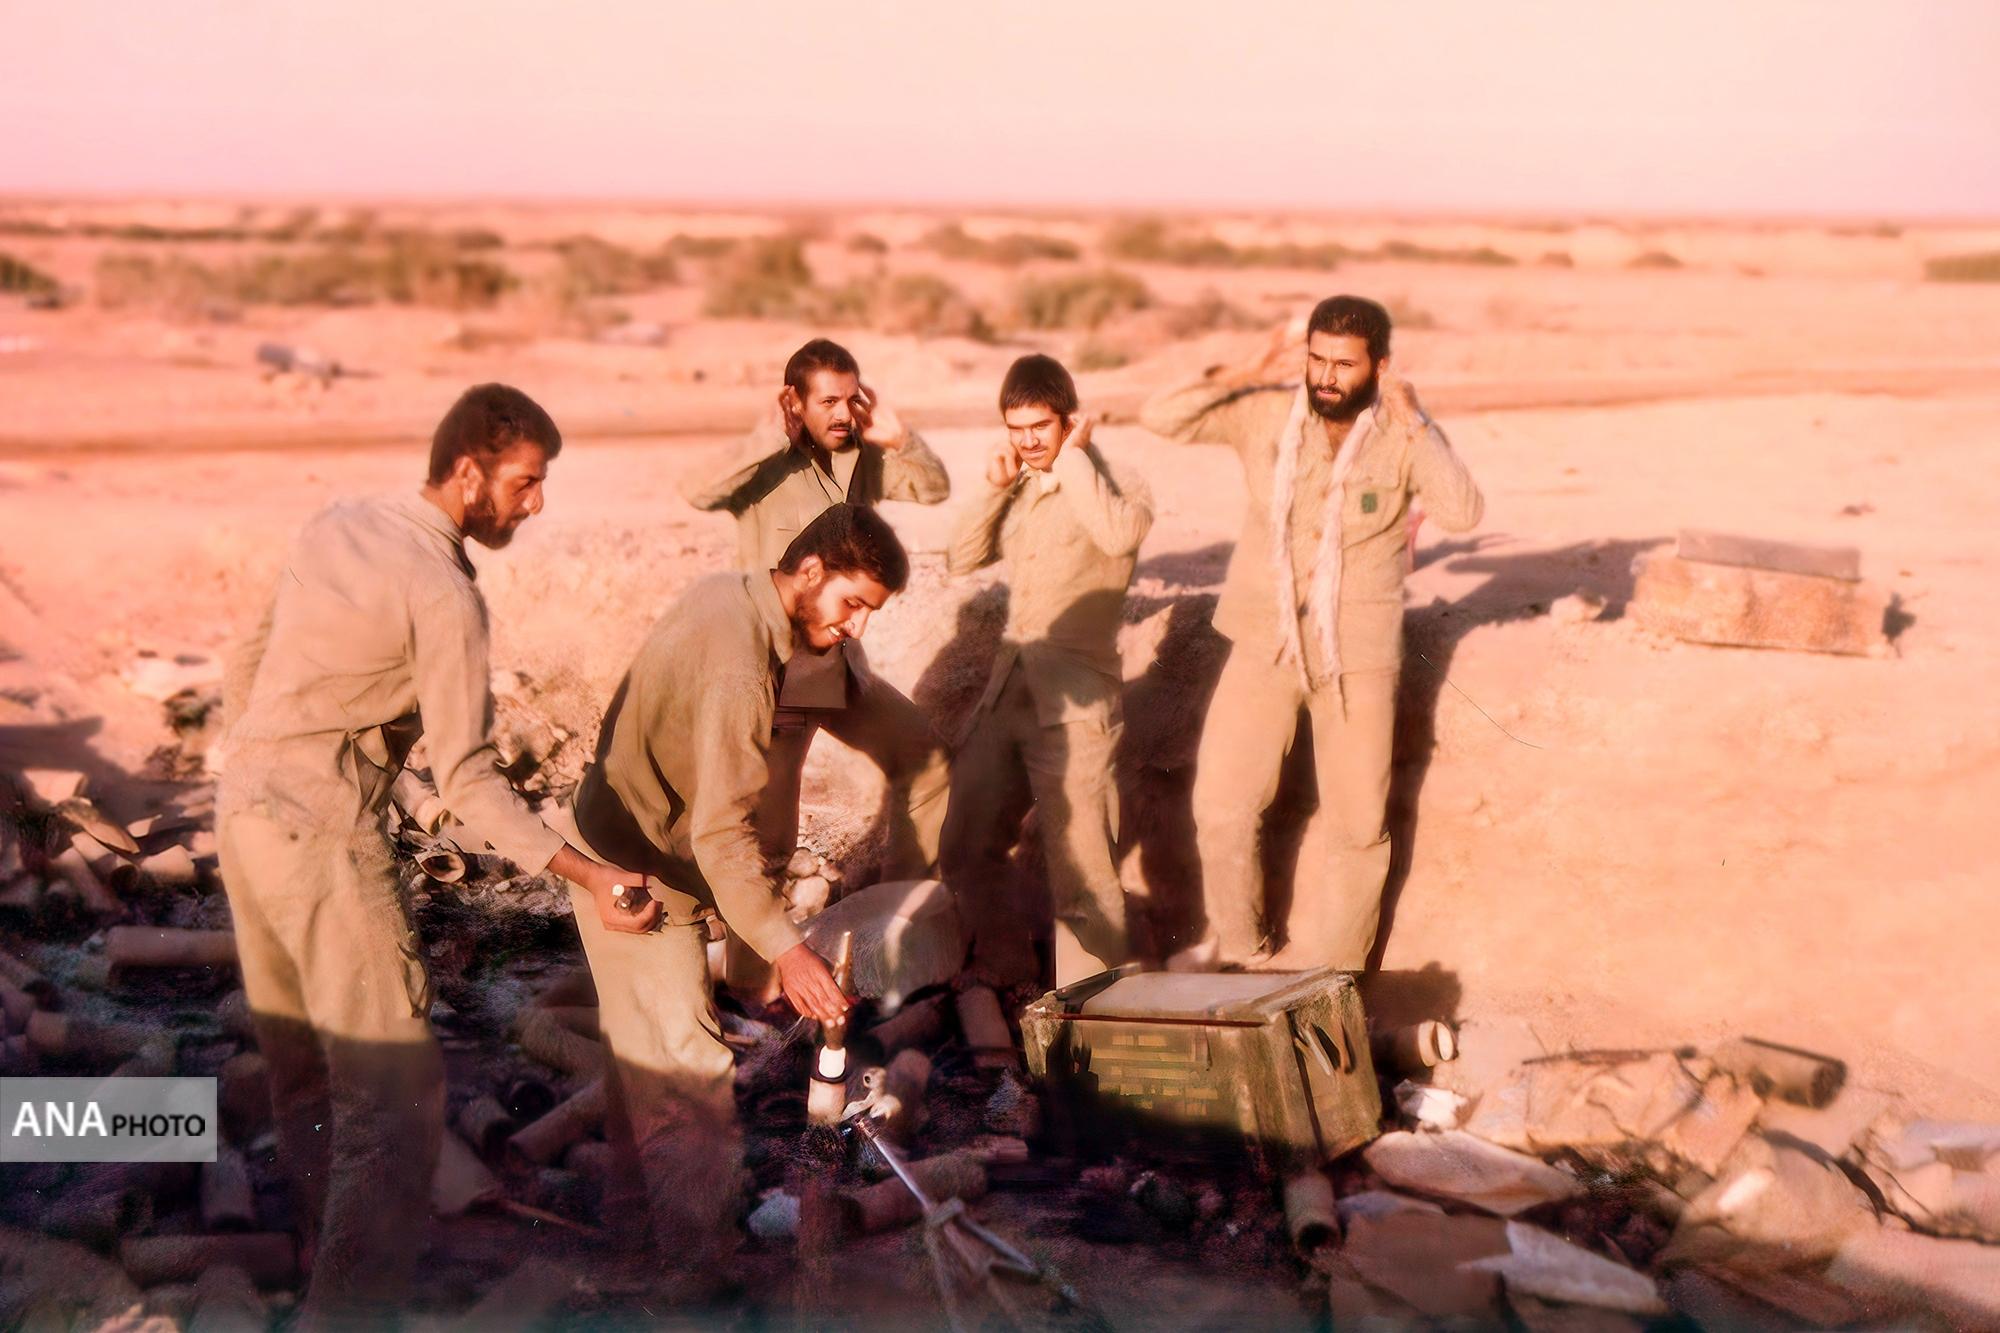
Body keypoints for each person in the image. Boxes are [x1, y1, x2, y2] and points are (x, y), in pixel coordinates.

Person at [217, 384, 649, 1322]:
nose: (537, 503)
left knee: (303, 1068)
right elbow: (471, 782)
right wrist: (588, 873)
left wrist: (262, 764)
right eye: (526, 482)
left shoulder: (340, 521)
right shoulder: (445, 592)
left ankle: (318, 1252)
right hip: (322, 839)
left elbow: (247, 662)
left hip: (243, 811)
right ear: (467, 472)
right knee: (395, 1099)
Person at [558, 504, 905, 1284]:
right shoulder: (742, 668)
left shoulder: (727, 592)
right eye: (852, 603)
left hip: (627, 841)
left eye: (869, 613)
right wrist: (787, 948)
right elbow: (720, 836)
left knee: (644, 1055)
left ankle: (633, 1240)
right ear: (809, 570)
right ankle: (697, 1279)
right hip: (634, 874)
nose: (855, 626)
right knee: (689, 1074)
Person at [1139, 297, 1483, 970]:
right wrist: (1247, 367)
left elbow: (1462, 510)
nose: (1326, 376)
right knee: (1221, 806)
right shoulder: (1265, 413)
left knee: (1357, 826)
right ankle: (1242, 952)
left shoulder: (1400, 433)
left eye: (1344, 364)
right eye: (1316, 359)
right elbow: (1160, 415)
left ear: (1380, 367)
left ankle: (1338, 980)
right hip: (1262, 640)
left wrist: (1416, 420)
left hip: (1356, 655)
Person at [680, 339, 950, 895]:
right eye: (828, 401)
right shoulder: (765, 469)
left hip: (838, 666)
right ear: (794, 402)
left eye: (851, 399)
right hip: (775, 677)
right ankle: (747, 954)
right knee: (768, 841)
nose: (843, 413)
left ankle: (897, 909)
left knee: (928, 761)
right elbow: (697, 490)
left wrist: (901, 438)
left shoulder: (860, 461)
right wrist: (768, 437)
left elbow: (933, 487)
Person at [939, 355, 1153, 987]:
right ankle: (1009, 975)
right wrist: (993, 488)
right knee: (964, 844)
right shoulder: (1020, 485)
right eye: (1017, 428)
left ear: (1070, 420)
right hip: (1007, 694)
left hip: (1076, 703)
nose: (1029, 441)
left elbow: (1118, 537)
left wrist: (1076, 460)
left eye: (1041, 426)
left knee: (1083, 874)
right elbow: (960, 557)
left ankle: (1099, 1010)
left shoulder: (1117, 481)